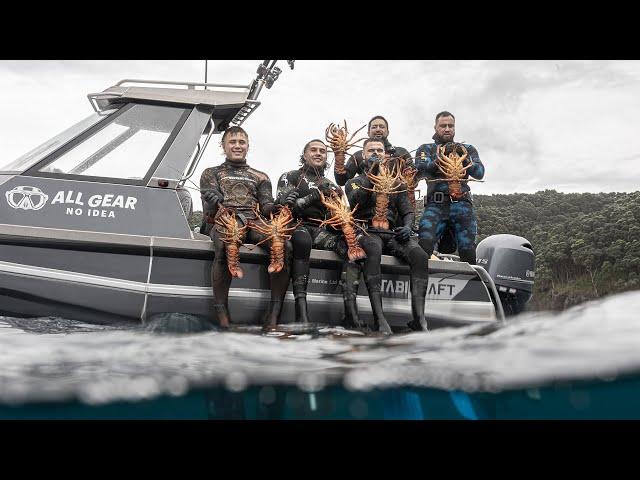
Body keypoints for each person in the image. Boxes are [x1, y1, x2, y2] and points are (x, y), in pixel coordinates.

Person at [200, 126, 291, 329]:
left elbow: (267, 207)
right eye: (232, 142)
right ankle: (223, 316)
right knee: (224, 244)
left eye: (242, 142)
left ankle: (273, 316)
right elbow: (208, 210)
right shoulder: (211, 173)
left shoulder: (261, 176)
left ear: (248, 145)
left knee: (284, 245)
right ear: (223, 146)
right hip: (226, 218)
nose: (237, 145)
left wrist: (277, 205)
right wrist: (214, 200)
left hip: (255, 220)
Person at [344, 137, 431, 333]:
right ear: (362, 155)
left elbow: (407, 210)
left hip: (391, 232)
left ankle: (420, 319)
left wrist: (408, 226)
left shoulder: (397, 183)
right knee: (372, 249)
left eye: (380, 151)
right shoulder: (354, 182)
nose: (376, 153)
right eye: (371, 151)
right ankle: (380, 319)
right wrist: (372, 173)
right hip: (366, 230)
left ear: (386, 155)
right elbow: (355, 201)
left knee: (419, 255)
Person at [414, 111, 485, 265]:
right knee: (423, 244)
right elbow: (418, 171)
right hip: (435, 205)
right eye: (443, 126)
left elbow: (480, 173)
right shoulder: (426, 148)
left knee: (468, 249)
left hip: (462, 205)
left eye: (450, 126)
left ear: (455, 128)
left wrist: (464, 159)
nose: (447, 129)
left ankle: (471, 286)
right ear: (435, 127)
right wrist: (438, 161)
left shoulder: (468, 148)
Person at [333, 115, 412, 187]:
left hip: (396, 197)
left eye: (381, 126)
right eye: (374, 127)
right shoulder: (358, 156)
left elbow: (414, 176)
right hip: (367, 197)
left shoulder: (401, 152)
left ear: (388, 132)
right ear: (368, 133)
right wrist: (338, 155)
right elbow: (341, 181)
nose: (378, 129)